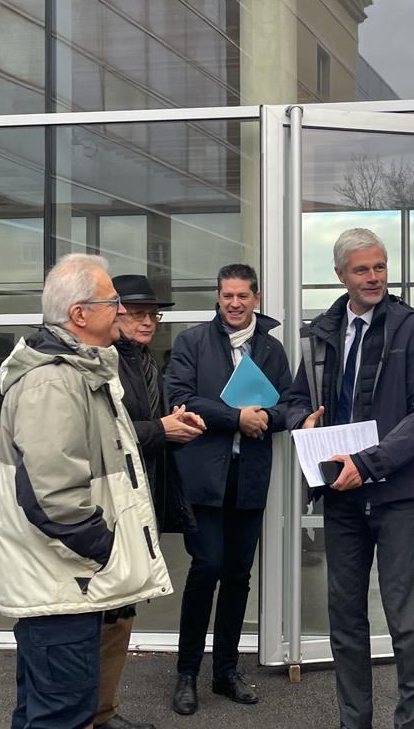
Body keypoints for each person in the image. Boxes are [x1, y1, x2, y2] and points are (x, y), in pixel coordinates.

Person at [0, 254, 171, 729]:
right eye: (112, 302)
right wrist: (106, 550)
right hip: (63, 587)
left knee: (46, 712)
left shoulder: (78, 370)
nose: (121, 310)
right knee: (61, 715)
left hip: (67, 586)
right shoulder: (54, 380)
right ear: (79, 314)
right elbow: (53, 498)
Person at [287, 228, 414, 729]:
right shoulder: (323, 332)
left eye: (380, 266)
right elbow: (296, 399)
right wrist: (301, 421)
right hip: (341, 498)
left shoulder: (412, 331)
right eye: (362, 269)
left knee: (406, 622)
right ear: (341, 275)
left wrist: (371, 462)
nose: (374, 277)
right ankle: (352, 722)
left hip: (397, 496)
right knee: (345, 620)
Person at [165, 264, 293, 715]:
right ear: (218, 298)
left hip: (249, 477)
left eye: (242, 296)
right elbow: (180, 397)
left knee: (238, 575)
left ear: (256, 298)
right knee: (207, 567)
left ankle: (225, 672)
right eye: (227, 296)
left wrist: (267, 418)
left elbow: (290, 404)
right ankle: (186, 673)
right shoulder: (192, 342)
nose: (234, 304)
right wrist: (235, 417)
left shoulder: (271, 349)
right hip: (204, 476)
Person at [93, 275, 203, 729]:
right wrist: (161, 429)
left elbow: (140, 424)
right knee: (102, 615)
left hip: (140, 500)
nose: (148, 322)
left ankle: (104, 711)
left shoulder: (143, 360)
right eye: (138, 313)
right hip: (109, 506)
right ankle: (92, 713)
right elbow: (100, 435)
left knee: (121, 611)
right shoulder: (101, 361)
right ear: (113, 312)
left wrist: (172, 421)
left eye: (153, 314)